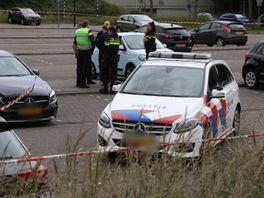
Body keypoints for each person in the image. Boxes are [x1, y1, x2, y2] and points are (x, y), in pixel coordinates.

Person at [73, 20, 95, 88]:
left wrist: (76, 50)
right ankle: (83, 83)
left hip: (79, 51)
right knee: (85, 68)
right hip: (86, 51)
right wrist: (92, 49)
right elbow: (92, 41)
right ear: (87, 25)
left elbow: (75, 41)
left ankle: (78, 82)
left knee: (79, 67)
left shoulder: (77, 31)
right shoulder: (88, 31)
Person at [100, 26, 120, 94]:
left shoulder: (108, 39)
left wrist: (105, 36)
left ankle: (105, 89)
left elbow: (104, 46)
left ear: (111, 31)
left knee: (105, 73)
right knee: (113, 74)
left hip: (107, 58)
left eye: (108, 31)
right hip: (114, 58)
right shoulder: (117, 39)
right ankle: (112, 89)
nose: (108, 32)